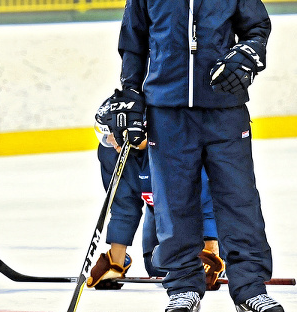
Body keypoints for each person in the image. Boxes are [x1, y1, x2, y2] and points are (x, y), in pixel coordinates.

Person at [104, 0, 284, 312]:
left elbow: (257, 27)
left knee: (239, 199)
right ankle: (182, 287)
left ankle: (251, 289)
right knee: (174, 203)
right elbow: (134, 43)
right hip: (168, 112)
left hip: (224, 111)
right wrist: (131, 96)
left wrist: (246, 55)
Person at [87, 97, 224, 290]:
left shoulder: (174, 145)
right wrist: (115, 260)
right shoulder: (111, 153)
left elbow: (206, 200)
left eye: (114, 135)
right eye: (105, 136)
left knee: (202, 263)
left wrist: (210, 251)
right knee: (158, 267)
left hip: (202, 213)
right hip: (160, 210)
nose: (110, 142)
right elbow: (123, 206)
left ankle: (224, 254)